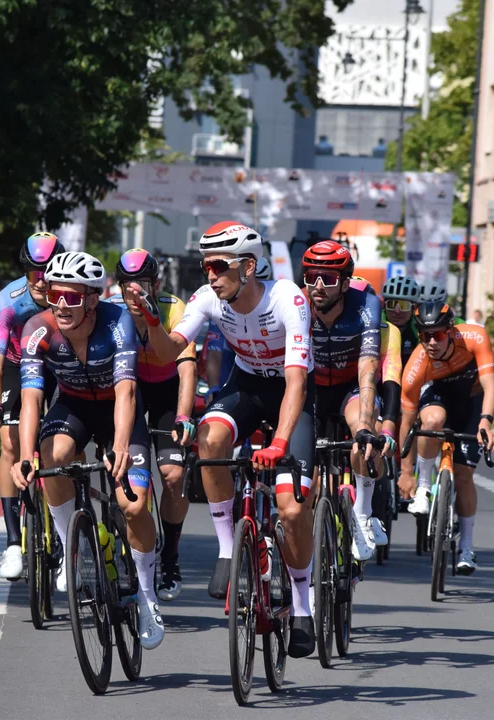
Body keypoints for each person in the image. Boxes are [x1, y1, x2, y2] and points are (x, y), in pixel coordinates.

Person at [122, 221, 318, 658]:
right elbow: (171, 349)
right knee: (209, 442)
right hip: (246, 387)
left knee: (290, 509)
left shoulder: (288, 298)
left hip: (292, 395)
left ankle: (303, 607)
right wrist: (154, 321)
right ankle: (228, 549)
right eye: (205, 264)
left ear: (248, 267)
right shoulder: (208, 299)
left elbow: (296, 382)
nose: (209, 274)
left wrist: (279, 444)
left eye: (218, 265)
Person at [11, 251, 165, 650]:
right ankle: (72, 547)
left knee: (133, 506)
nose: (61, 304)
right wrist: (26, 456)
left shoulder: (118, 324)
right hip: (74, 406)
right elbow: (31, 400)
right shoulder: (36, 330)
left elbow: (128, 391)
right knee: (53, 456)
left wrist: (119, 447)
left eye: (73, 297)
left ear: (93, 299)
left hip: (118, 410)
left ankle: (147, 594)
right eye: (55, 294)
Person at [107, 249, 198, 601]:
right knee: (126, 474)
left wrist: (183, 416)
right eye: (128, 286)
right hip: (128, 390)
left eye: (142, 285)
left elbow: (187, 368)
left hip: (166, 392)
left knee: (174, 477)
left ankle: (170, 557)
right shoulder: (111, 310)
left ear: (155, 284)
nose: (135, 294)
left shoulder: (174, 307)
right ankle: (127, 541)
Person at [0, 231, 63, 581]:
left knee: (62, 446)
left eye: (48, 272)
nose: (41, 282)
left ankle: (67, 535)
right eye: (33, 274)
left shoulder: (69, 296)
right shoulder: (8, 301)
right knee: (10, 443)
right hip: (16, 365)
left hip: (59, 366)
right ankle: (13, 543)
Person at [301, 241, 391, 560]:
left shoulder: (365, 301)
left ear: (344, 281)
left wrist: (366, 427)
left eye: (328, 278)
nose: (318, 286)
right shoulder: (297, 304)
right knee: (299, 474)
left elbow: (368, 368)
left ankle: (363, 512)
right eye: (312, 277)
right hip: (310, 389)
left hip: (349, 387)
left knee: (362, 439)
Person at [397, 299, 494, 574]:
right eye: (425, 336)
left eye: (438, 334)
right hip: (438, 397)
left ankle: (467, 548)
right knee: (431, 421)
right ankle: (425, 487)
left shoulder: (474, 337)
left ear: (450, 330)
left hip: (471, 402)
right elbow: (406, 424)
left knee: (464, 476)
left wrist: (486, 423)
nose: (432, 342)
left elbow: (491, 386)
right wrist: (407, 472)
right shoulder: (416, 366)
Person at [204, 255, 272, 393]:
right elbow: (214, 351)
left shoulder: (275, 306)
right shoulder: (223, 309)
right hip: (231, 381)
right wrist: (213, 387)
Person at [380, 275, 421, 367]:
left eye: (403, 306)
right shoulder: (374, 323)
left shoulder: (420, 327)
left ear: (413, 308)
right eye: (392, 304)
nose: (397, 311)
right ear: (384, 306)